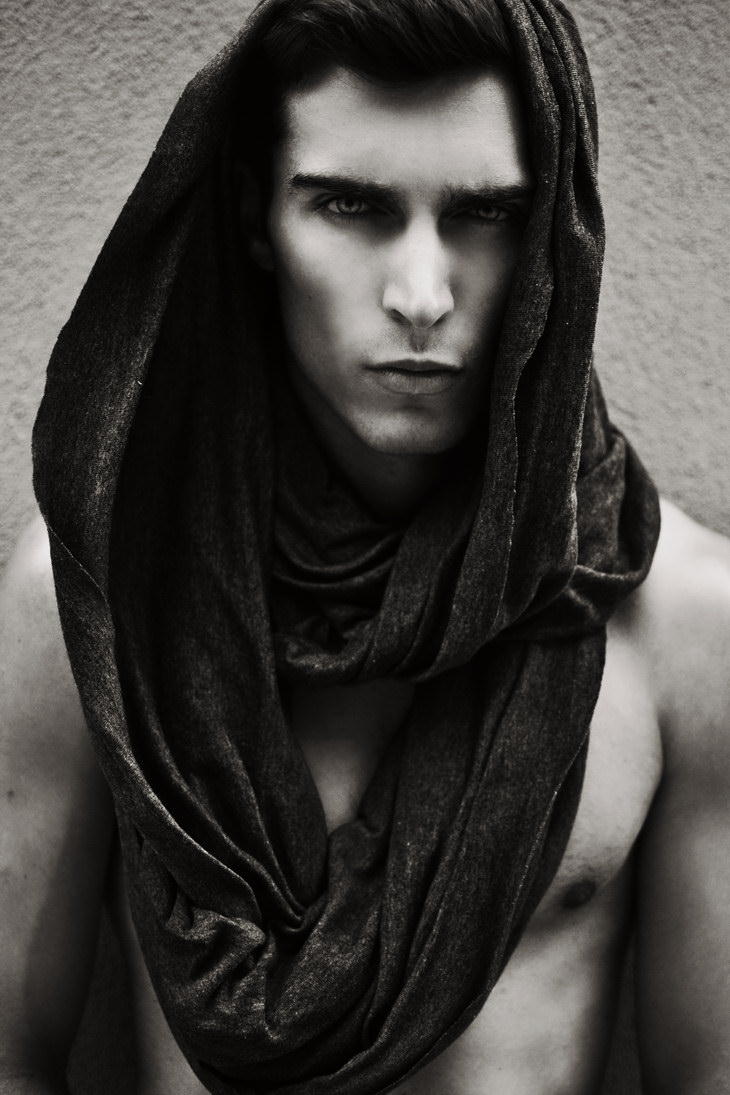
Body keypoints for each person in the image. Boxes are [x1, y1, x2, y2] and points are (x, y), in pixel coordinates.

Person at [1, 0, 729, 1092]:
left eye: (486, 214)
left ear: (555, 230)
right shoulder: (92, 601)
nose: (421, 296)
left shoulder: (682, 623)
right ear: (256, 217)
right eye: (350, 205)